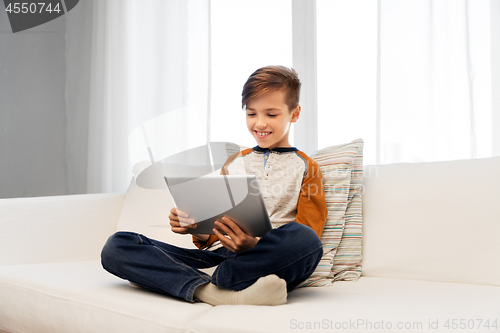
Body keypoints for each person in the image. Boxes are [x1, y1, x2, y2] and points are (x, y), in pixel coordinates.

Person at [101, 66, 328, 306]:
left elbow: (309, 232)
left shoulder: (306, 166)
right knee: (117, 246)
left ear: (294, 113)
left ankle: (178, 279)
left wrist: (254, 244)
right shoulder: (234, 163)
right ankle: (213, 290)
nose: (259, 123)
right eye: (252, 114)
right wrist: (195, 227)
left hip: (265, 259)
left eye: (271, 114)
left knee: (306, 240)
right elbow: (213, 233)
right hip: (218, 258)